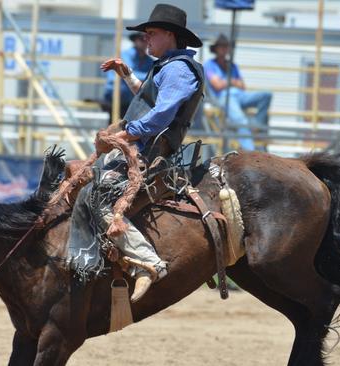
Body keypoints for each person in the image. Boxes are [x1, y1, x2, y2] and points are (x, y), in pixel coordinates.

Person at [68, 4, 204, 302]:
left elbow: (162, 114)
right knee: (76, 178)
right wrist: (127, 75)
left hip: (146, 153)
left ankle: (148, 263)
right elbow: (151, 96)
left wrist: (126, 134)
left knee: (96, 195)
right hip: (138, 148)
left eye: (151, 34)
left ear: (170, 35)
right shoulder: (170, 67)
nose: (146, 40)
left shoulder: (179, 69)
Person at [204, 33, 272, 150]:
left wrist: (227, 82)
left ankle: (256, 126)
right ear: (216, 49)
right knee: (241, 121)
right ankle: (250, 152)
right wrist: (233, 81)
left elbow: (242, 86)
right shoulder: (209, 65)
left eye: (226, 46)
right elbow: (218, 86)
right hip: (224, 98)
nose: (224, 49)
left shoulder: (232, 66)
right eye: (221, 46)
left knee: (266, 95)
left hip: (239, 96)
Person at [102, 32, 153, 124]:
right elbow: (127, 71)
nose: (145, 41)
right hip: (116, 96)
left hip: (132, 99)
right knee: (116, 126)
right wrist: (151, 75)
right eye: (142, 39)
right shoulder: (125, 55)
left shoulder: (149, 60)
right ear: (135, 41)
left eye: (147, 38)